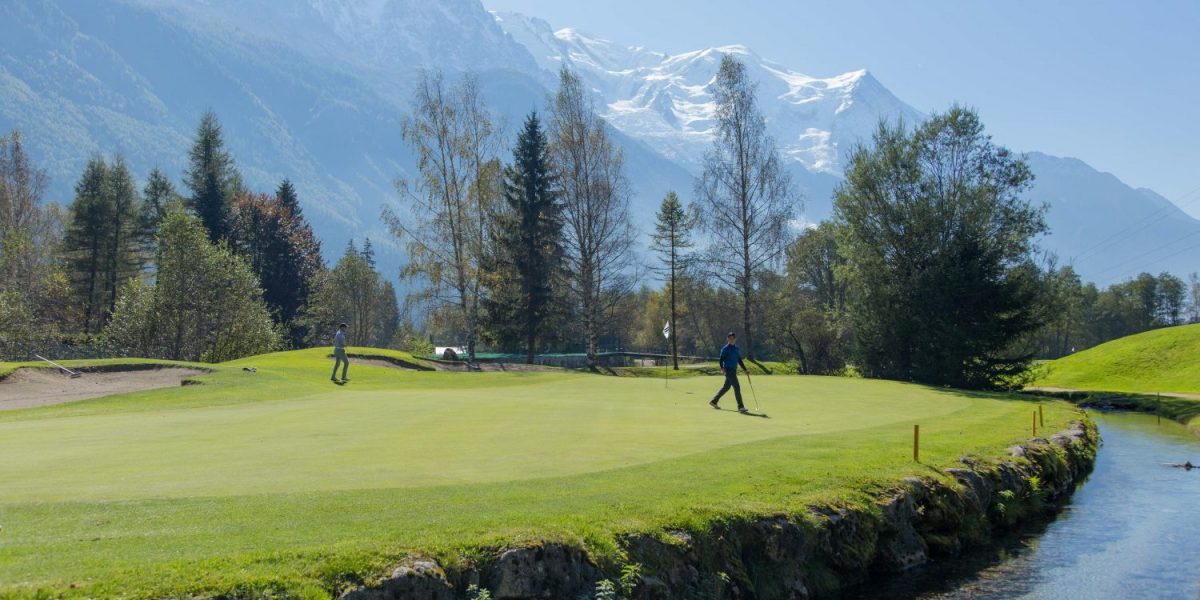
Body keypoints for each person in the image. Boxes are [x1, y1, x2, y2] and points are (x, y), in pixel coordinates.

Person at [710, 332, 748, 413]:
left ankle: (714, 401)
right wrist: (722, 368)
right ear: (727, 339)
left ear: (735, 339)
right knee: (737, 387)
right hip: (728, 370)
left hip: (733, 370)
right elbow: (721, 359)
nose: (731, 340)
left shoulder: (736, 348)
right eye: (729, 338)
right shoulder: (725, 349)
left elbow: (739, 360)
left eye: (732, 338)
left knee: (726, 387)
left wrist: (745, 369)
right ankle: (741, 406)